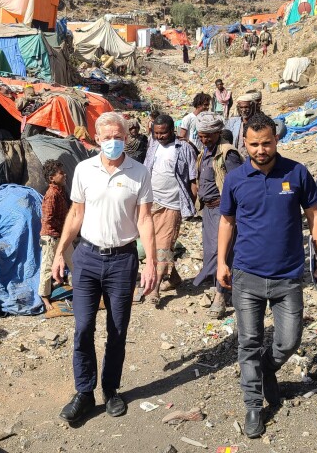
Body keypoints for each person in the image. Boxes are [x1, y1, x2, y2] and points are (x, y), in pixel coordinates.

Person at [216, 112, 317, 438]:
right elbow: (226, 222)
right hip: (247, 275)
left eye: (266, 143)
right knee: (248, 343)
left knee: (289, 339)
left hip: (288, 274)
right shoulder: (235, 179)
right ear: (245, 143)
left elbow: (314, 214)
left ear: (276, 140)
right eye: (254, 144)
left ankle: (267, 370)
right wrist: (222, 262)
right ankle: (253, 406)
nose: (260, 150)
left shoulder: (296, 172)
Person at [52, 112, 156, 423]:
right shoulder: (84, 170)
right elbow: (75, 215)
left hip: (122, 260)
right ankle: (84, 392)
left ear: (127, 138)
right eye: (107, 137)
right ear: (97, 138)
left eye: (118, 136)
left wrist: (150, 262)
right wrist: (60, 253)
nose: (113, 142)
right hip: (86, 258)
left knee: (117, 329)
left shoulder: (139, 173)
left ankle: (110, 390)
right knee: (83, 327)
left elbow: (145, 219)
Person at [143, 114, 198, 305]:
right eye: (156, 133)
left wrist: (190, 205)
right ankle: (174, 278)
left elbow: (192, 179)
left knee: (164, 247)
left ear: (172, 130)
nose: (160, 136)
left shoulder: (184, 148)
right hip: (152, 202)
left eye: (164, 133)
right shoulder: (153, 145)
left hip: (173, 204)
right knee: (154, 244)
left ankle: (156, 288)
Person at [193, 112, 243, 318]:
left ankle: (221, 297)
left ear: (218, 132)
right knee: (211, 252)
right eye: (201, 135)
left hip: (223, 210)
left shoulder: (227, 153)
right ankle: (221, 287)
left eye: (208, 135)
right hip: (208, 211)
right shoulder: (205, 152)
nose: (204, 139)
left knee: (219, 252)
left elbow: (237, 184)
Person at [39, 160, 73, 310]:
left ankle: (82, 288)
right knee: (47, 267)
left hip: (62, 234)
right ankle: (45, 298)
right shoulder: (51, 194)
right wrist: (60, 230)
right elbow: (47, 219)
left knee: (74, 261)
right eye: (60, 173)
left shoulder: (61, 191)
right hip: (51, 236)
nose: (64, 175)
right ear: (52, 178)